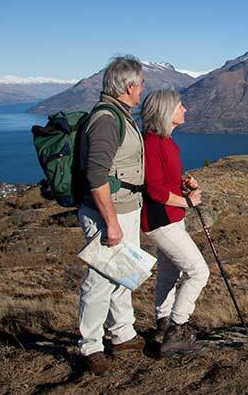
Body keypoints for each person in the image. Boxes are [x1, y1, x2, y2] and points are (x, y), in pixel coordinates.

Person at [77, 55, 146, 374]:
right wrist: (111, 222)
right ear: (129, 86)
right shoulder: (106, 119)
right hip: (109, 213)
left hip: (126, 207)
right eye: (141, 83)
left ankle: (122, 335)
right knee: (101, 278)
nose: (143, 89)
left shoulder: (121, 114)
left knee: (122, 273)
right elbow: (95, 175)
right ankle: (90, 347)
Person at [140, 89, 210, 356]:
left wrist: (182, 185)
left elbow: (164, 182)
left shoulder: (166, 142)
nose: (186, 110)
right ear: (166, 111)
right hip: (161, 220)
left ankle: (163, 323)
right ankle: (177, 330)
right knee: (198, 272)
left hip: (170, 218)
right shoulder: (153, 143)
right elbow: (154, 190)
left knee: (169, 275)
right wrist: (187, 201)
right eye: (180, 106)